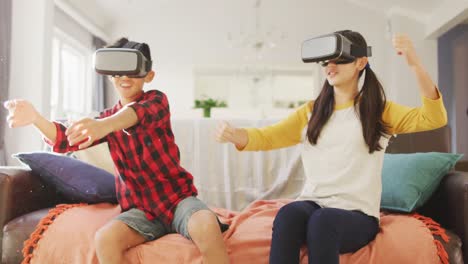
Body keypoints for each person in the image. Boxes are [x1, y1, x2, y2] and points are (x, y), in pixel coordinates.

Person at [215, 30, 447, 264]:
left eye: (340, 60)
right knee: (288, 214)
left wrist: (415, 64)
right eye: (326, 61)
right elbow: (267, 137)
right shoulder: (310, 112)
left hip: (357, 215)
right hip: (314, 204)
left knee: (323, 221)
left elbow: (433, 118)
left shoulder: (378, 111)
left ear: (361, 62)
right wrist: (236, 135)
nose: (330, 67)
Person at [4, 38, 229, 264]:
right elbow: (64, 139)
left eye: (132, 71)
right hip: (141, 210)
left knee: (206, 224)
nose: (124, 77)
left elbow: (136, 115)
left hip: (178, 200)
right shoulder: (106, 120)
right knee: (105, 239)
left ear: (148, 76)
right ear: (110, 76)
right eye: (117, 73)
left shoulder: (157, 101)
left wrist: (104, 125)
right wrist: (36, 119)